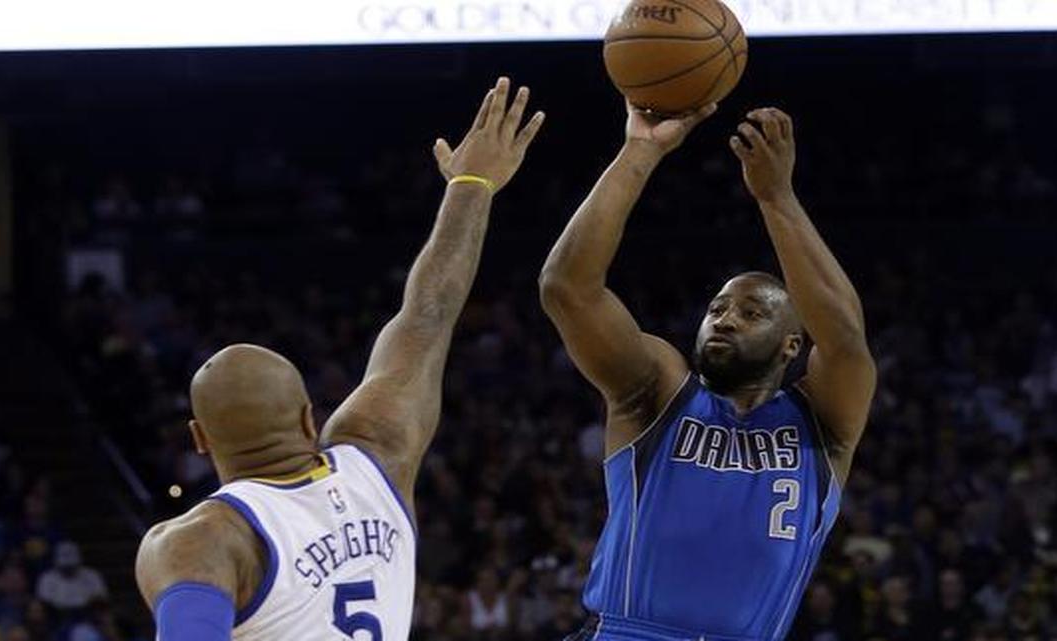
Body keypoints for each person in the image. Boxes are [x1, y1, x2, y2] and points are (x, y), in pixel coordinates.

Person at [134, 76, 545, 641]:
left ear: (199, 438)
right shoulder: (378, 456)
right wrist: (472, 185)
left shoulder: (199, 540)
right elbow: (427, 313)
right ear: (309, 418)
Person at [539, 101, 876, 640]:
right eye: (716, 309)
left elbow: (845, 337)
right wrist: (641, 151)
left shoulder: (825, 422)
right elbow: (567, 288)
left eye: (750, 312)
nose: (724, 321)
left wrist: (776, 197)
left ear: (792, 344)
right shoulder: (657, 390)